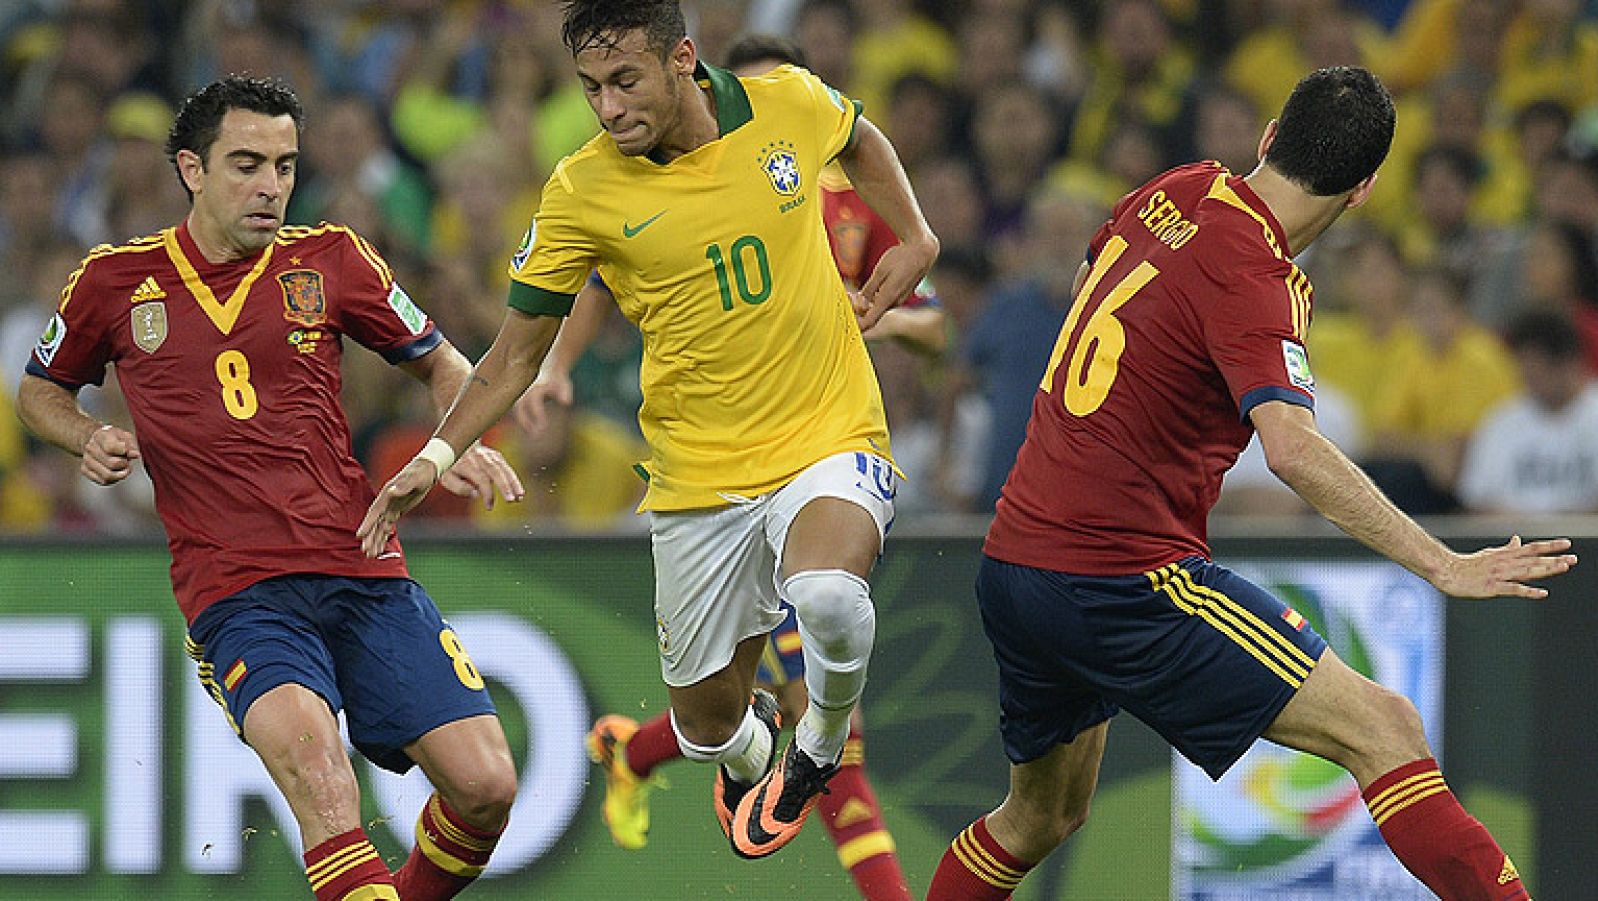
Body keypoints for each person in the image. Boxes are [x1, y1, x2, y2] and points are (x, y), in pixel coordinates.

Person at [925, 67, 1575, 901]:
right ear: (1365, 190)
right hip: (1123, 575)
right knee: (1387, 727)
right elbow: (1293, 451)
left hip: (1017, 557)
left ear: (1269, 136)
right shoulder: (1259, 278)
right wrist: (1440, 562)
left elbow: (1103, 281)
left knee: (1036, 819)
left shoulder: (1178, 186)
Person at [359, 0, 937, 865]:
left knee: (827, 595)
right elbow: (514, 355)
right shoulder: (582, 189)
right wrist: (439, 454)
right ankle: (749, 748)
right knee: (706, 725)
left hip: (828, 433)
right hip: (698, 473)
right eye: (590, 88)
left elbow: (860, 140)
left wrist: (918, 237)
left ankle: (820, 740)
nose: (608, 106)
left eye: (624, 80)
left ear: (682, 61)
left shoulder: (786, 102)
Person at [15, 76, 522, 901]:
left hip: (362, 565)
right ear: (192, 168)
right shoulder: (114, 283)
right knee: (324, 780)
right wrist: (87, 434)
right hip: (237, 589)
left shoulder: (332, 261)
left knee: (487, 786)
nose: (271, 186)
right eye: (247, 163)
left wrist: (448, 441)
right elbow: (39, 388)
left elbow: (440, 361)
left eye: (284, 165)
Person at [555, 32, 923, 901]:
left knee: (804, 701)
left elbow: (938, 321)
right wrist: (557, 373)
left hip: (825, 459)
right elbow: (597, 285)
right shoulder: (656, 191)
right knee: (791, 726)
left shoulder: (841, 199)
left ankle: (635, 749)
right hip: (719, 479)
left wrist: (900, 303)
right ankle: (655, 749)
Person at [1457, 309, 1598, 514]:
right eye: (1525, 368)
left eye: (1538, 369)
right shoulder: (1501, 420)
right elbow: (1477, 501)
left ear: (1569, 364)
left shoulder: (1595, 413)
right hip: (1516, 539)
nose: (1529, 379)